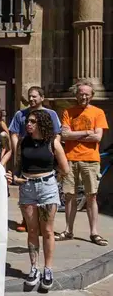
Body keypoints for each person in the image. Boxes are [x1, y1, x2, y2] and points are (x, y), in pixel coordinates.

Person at [5, 110, 69, 291]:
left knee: (47, 230)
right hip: (27, 188)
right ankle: (34, 268)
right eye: (28, 121)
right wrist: (16, 178)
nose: (28, 124)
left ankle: (48, 269)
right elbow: (18, 165)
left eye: (33, 121)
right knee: (32, 230)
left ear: (42, 123)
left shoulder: (52, 143)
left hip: (47, 187)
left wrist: (52, 180)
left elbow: (65, 169)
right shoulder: (23, 142)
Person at [56, 80, 109, 246]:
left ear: (92, 95)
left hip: (90, 159)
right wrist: (86, 132)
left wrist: (74, 135)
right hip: (70, 158)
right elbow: (65, 135)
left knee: (91, 196)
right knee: (69, 196)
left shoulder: (98, 112)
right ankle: (68, 230)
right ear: (76, 95)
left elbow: (97, 137)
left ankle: (94, 233)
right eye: (80, 94)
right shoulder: (68, 112)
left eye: (86, 94)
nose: (83, 97)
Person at [9, 86, 62, 232]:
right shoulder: (20, 114)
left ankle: (44, 223)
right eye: (29, 96)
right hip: (26, 153)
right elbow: (14, 134)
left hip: (44, 154)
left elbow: (57, 133)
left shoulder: (51, 114)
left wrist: (53, 150)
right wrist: (18, 152)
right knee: (25, 186)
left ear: (42, 98)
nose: (31, 99)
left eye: (34, 96)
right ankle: (26, 220)